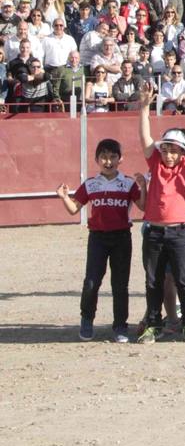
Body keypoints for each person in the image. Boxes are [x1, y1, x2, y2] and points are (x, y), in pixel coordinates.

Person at [134, 83, 185, 343]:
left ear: (182, 152)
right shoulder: (154, 162)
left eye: (173, 149)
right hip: (154, 232)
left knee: (184, 281)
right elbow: (144, 138)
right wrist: (144, 108)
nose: (168, 154)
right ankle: (153, 325)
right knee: (153, 282)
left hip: (181, 232)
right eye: (165, 149)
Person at [55, 138, 144, 342]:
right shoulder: (91, 184)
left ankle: (120, 326)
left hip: (121, 238)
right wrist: (63, 197)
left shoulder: (128, 183)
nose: (108, 161)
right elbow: (74, 209)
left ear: (120, 159)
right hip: (97, 238)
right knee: (91, 282)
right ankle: (87, 320)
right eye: (103, 157)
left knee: (120, 285)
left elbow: (143, 206)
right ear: (97, 160)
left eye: (112, 157)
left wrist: (144, 187)